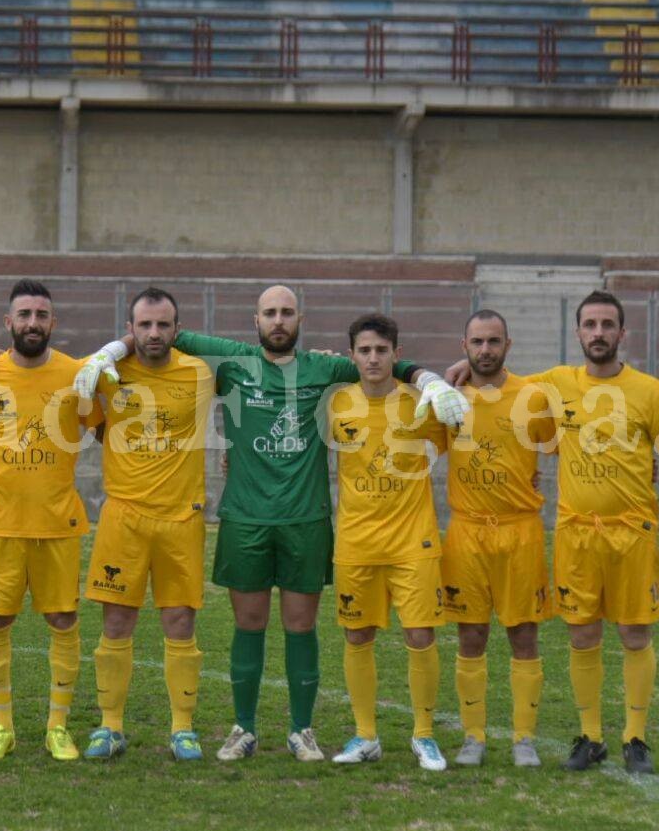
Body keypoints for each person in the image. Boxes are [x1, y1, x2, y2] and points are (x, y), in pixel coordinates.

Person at [141, 285, 463, 763]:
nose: (278, 320)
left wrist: (430, 377)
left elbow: (382, 360)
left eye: (286, 312)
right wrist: (110, 349)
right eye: (269, 312)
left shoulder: (326, 369)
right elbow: (163, 334)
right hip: (245, 517)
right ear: (255, 320)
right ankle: (243, 728)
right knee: (248, 625)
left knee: (300, 626)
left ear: (300, 319)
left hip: (305, 519)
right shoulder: (233, 362)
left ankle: (302, 730)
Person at [536, 292, 659, 774]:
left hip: (632, 533)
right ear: (577, 332)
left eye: (607, 324)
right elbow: (500, 381)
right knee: (582, 635)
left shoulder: (650, 390)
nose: (597, 332)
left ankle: (636, 739)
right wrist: (458, 365)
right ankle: (591, 737)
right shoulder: (557, 383)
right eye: (589, 324)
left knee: (634, 632)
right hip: (576, 534)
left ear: (623, 334)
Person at [71, 288, 213, 761]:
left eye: (164, 325)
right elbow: (85, 412)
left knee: (179, 621)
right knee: (116, 622)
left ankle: (182, 728)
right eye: (145, 325)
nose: (155, 333)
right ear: (130, 328)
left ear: (178, 328)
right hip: (124, 518)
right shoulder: (109, 376)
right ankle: (110, 727)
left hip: (181, 519)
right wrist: (109, 352)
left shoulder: (199, 373)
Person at [0, 280, 93, 762]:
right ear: (8, 323)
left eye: (41, 314)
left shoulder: (75, 375)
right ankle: (2, 728)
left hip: (58, 524)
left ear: (53, 323)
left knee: (63, 619)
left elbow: (103, 424)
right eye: (24, 314)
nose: (33, 322)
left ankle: (57, 728)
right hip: (0, 525)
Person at [327, 313, 453, 772]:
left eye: (382, 350)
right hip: (356, 542)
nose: (374, 358)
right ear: (352, 356)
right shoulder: (336, 403)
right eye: (365, 350)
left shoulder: (422, 403)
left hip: (412, 542)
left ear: (397, 355)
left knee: (420, 635)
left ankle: (424, 735)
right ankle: (365, 736)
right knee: (357, 635)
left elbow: (461, 440)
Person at [441, 310, 557, 768]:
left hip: (520, 531)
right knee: (470, 636)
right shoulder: (449, 399)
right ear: (464, 345)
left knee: (523, 636)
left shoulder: (532, 396)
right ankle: (473, 737)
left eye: (493, 341)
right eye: (477, 342)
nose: (485, 350)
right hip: (466, 530)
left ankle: (523, 738)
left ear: (509, 345)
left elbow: (561, 445)